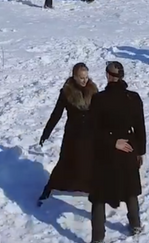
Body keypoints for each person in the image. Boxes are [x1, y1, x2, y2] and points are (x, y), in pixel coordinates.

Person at [88, 61, 146, 242]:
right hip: (129, 148)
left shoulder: (99, 99)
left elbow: (92, 130)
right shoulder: (133, 97)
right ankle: (135, 224)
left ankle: (98, 237)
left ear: (107, 75)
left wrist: (113, 142)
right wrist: (140, 152)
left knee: (99, 194)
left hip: (105, 150)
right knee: (130, 189)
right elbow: (140, 127)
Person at [38, 63, 99, 205]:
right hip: (73, 133)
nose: (84, 80)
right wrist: (46, 132)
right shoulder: (67, 92)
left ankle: (95, 189)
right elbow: (56, 113)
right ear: (74, 77)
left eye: (86, 77)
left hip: (90, 133)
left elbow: (101, 112)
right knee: (66, 161)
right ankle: (50, 187)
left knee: (90, 162)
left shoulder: (93, 90)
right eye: (81, 78)